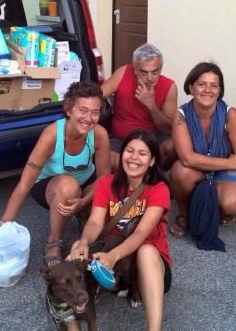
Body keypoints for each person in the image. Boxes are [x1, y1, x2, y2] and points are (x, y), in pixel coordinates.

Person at [0, 81, 111, 266]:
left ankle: (83, 212)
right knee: (68, 185)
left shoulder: (99, 134)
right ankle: (54, 239)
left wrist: (84, 202)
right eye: (82, 110)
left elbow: (104, 180)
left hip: (86, 185)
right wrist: (3, 223)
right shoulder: (52, 135)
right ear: (69, 110)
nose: (89, 118)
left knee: (115, 170)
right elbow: (25, 184)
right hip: (53, 187)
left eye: (95, 112)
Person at [69, 129, 171, 331]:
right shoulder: (106, 183)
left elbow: (141, 233)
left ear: (152, 161)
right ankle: (73, 323)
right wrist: (82, 243)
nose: (134, 157)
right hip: (112, 266)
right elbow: (96, 223)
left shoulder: (159, 189)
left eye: (142, 154)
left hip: (148, 270)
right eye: (129, 150)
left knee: (146, 250)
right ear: (122, 153)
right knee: (75, 246)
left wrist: (113, 256)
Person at [168, 62, 236, 250]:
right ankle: (185, 214)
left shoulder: (230, 114)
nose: (208, 90)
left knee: (232, 203)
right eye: (201, 84)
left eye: (214, 85)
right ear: (191, 87)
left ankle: (216, 209)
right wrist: (228, 162)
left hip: (224, 171)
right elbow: (188, 158)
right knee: (181, 172)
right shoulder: (181, 114)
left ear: (220, 90)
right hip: (197, 167)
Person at [100, 43, 178, 172]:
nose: (149, 78)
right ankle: (133, 180)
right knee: (109, 159)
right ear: (135, 69)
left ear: (160, 69)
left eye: (154, 72)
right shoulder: (124, 73)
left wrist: (151, 105)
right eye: (143, 72)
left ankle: (150, 177)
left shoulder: (169, 86)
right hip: (121, 139)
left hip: (153, 140)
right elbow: (97, 95)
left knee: (173, 146)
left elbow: (167, 129)